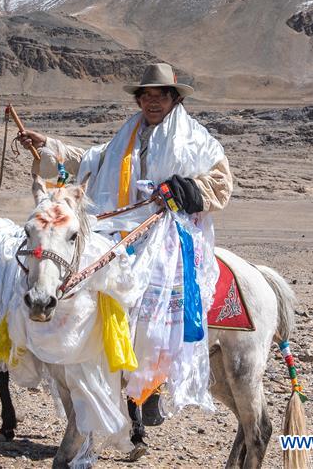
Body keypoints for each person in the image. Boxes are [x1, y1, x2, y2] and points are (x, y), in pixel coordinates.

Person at [17, 63, 232, 444]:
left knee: (154, 291)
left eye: (160, 96)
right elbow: (90, 160)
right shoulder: (127, 136)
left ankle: (151, 384)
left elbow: (221, 183)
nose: (152, 102)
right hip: (122, 223)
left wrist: (182, 190)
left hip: (169, 226)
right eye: (146, 96)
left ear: (174, 99)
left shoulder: (196, 140)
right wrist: (48, 145)